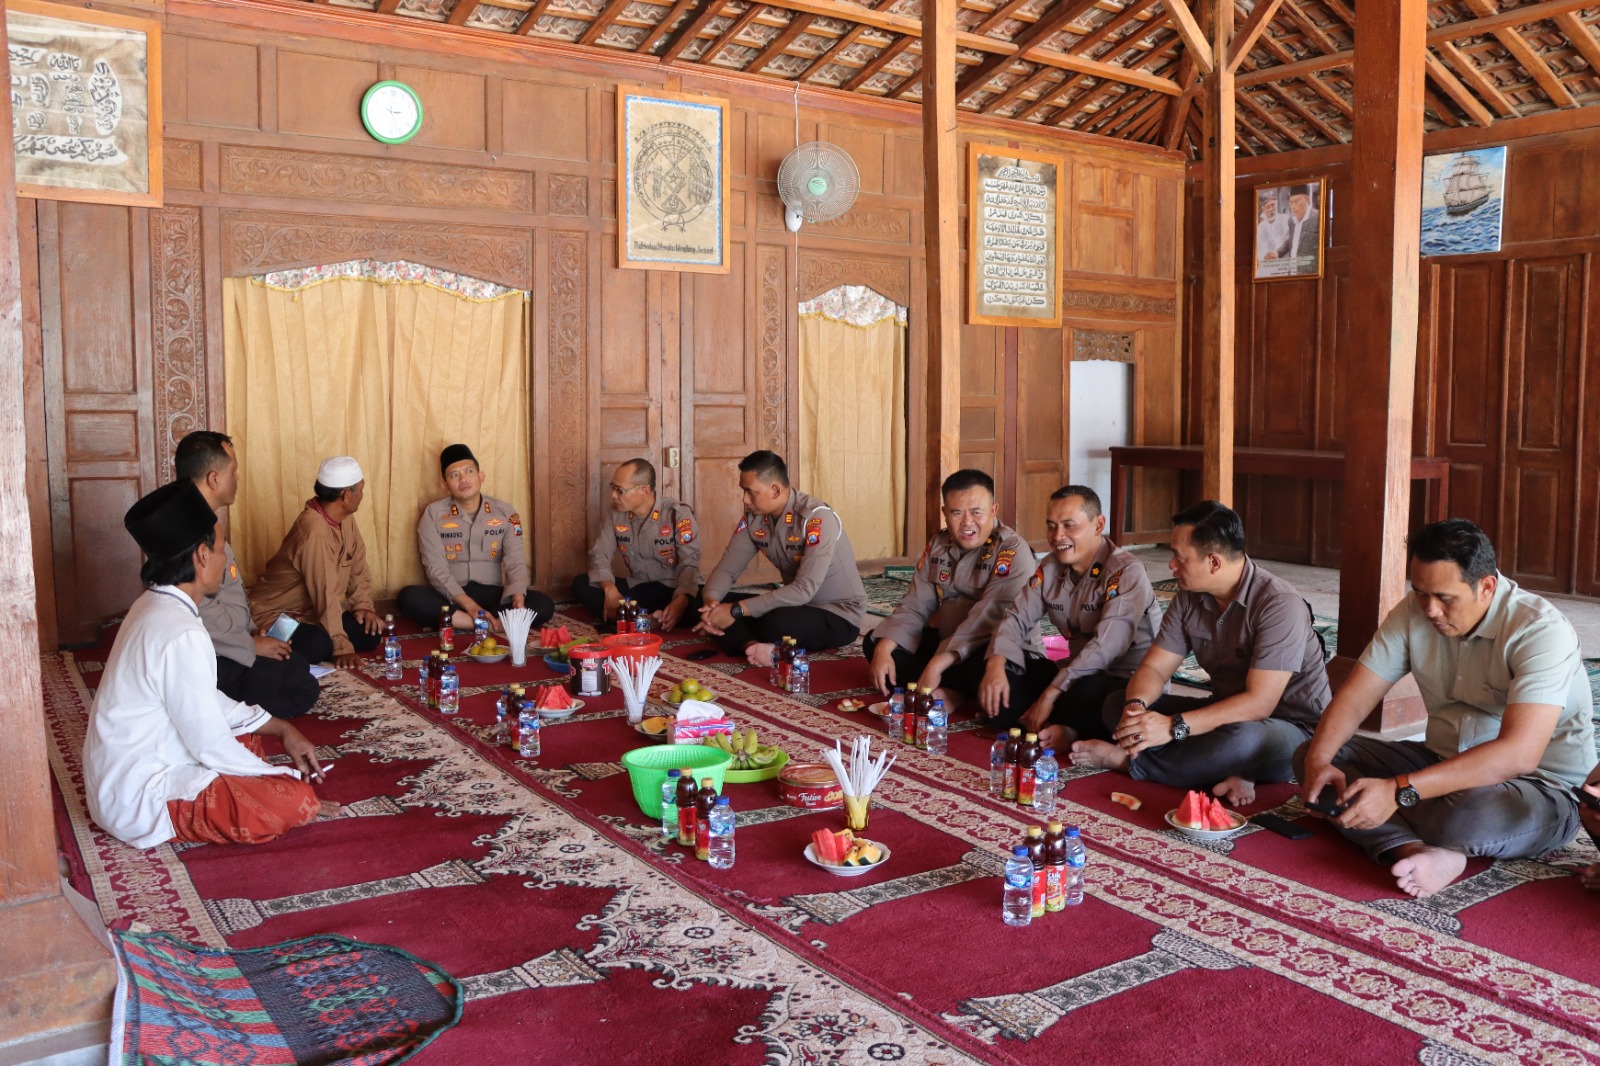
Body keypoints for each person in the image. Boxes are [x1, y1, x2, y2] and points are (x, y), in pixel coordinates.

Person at [1297, 519, 1593, 900]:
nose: (1430, 610)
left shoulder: (1538, 631)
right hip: (1438, 763)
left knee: (1464, 816)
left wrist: (1400, 791)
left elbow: (1519, 755)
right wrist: (1321, 761)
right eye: (1420, 593)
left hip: (1538, 787)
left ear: (1486, 587)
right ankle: (1416, 849)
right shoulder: (1414, 611)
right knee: (1313, 755)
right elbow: (1355, 697)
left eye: (1445, 598)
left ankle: (1418, 831)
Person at [84, 479, 325, 849]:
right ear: (200, 556)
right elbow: (208, 743)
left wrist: (280, 728)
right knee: (298, 802)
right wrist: (281, 776)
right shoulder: (179, 631)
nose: (225, 558)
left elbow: (205, 699)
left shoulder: (155, 604)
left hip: (122, 779)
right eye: (220, 549)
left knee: (248, 736)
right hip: (141, 798)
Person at [1070, 500, 1331, 806]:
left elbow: (1259, 705)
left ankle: (1128, 762)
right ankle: (1229, 770)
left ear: (1214, 562)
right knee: (1115, 703)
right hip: (1222, 714)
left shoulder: (1279, 604)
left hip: (1290, 730)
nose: (1171, 565)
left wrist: (1172, 726)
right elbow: (1155, 669)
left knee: (1241, 740)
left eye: (1179, 558)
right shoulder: (1189, 597)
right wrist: (1137, 710)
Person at [980, 485, 1161, 748]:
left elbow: (1106, 648)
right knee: (1003, 673)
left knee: (1096, 696)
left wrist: (1051, 693)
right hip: (1074, 674)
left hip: (1124, 681)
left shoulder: (1125, 571)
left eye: (1069, 525)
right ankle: (1056, 726)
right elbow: (1016, 618)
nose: (1057, 536)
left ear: (1098, 525)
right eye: (1051, 526)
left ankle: (1058, 725)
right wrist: (996, 666)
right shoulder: (1051, 566)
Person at [175, 431, 319, 719]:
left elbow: (229, 592)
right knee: (301, 687)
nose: (237, 479)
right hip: (207, 657)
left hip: (232, 643)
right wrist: (250, 645)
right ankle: (212, 711)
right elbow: (198, 604)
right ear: (214, 478)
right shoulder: (187, 528)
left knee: (297, 661)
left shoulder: (203, 519)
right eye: (234, 471)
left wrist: (253, 631)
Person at [864, 469, 1037, 705]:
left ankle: (953, 693)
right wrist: (884, 649)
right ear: (945, 513)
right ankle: (946, 690)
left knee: (986, 669)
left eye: (976, 512)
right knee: (878, 642)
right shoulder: (939, 543)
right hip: (948, 643)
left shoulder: (1011, 550)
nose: (967, 523)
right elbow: (915, 604)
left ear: (993, 511)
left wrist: (939, 662)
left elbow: (985, 620)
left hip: (990, 646)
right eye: (957, 513)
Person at [696, 450, 868, 667]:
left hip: (835, 613)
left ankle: (736, 634)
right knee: (702, 596)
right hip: (793, 605)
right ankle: (750, 646)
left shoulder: (816, 518)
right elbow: (727, 570)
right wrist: (712, 603)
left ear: (775, 490)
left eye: (750, 492)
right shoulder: (755, 518)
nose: (744, 499)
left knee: (775, 622)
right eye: (743, 491)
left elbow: (804, 590)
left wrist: (735, 610)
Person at [396, 443, 554, 633]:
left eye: (469, 471)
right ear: (445, 486)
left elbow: (516, 561)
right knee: (409, 597)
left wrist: (518, 598)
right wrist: (471, 607)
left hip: (493, 595)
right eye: (454, 475)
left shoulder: (506, 512)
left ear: (481, 476)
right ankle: (487, 624)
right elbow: (435, 568)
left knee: (543, 605)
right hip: (453, 596)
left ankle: (474, 623)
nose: (463, 479)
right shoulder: (433, 514)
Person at [250, 456, 382, 669]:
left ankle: (327, 634)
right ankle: (264, 638)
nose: (362, 496)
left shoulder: (344, 518)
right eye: (361, 490)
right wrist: (342, 648)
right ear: (347, 495)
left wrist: (363, 607)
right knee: (318, 647)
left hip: (311, 614)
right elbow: (325, 591)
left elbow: (357, 566)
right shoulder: (314, 530)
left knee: (369, 633)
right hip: (278, 615)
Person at [572, 457, 702, 631]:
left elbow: (690, 563)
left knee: (703, 602)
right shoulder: (615, 515)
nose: (613, 495)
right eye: (613, 488)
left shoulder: (677, 514)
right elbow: (599, 553)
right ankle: (646, 620)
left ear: (644, 490)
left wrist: (682, 599)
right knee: (582, 584)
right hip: (637, 586)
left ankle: (632, 619)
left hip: (673, 589)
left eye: (620, 490)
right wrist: (609, 589)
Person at [1267, 183, 1320, 264]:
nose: (1293, 206)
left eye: (1296, 201)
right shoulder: (1291, 220)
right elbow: (1292, 239)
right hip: (1292, 272)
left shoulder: (1318, 217)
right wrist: (1277, 252)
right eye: (1291, 202)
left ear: (1307, 199)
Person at [1255, 196, 1289, 263]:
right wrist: (1264, 256)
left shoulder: (1286, 220)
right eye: (1268, 207)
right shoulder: (1260, 228)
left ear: (1277, 205)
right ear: (1263, 209)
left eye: (1273, 205)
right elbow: (1258, 249)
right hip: (1267, 264)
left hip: (1284, 263)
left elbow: (1291, 241)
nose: (1271, 209)